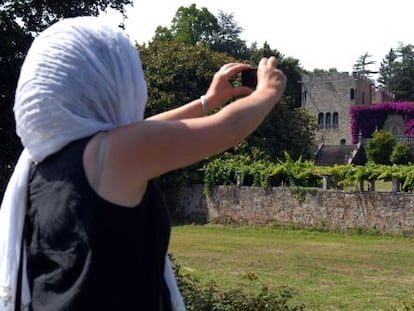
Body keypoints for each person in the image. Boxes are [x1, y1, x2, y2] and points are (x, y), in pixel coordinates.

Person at [0, 16, 286, 311]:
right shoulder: (112, 155)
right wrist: (268, 91)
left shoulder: (44, 163)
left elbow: (145, 132)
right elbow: (229, 129)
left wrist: (207, 101)